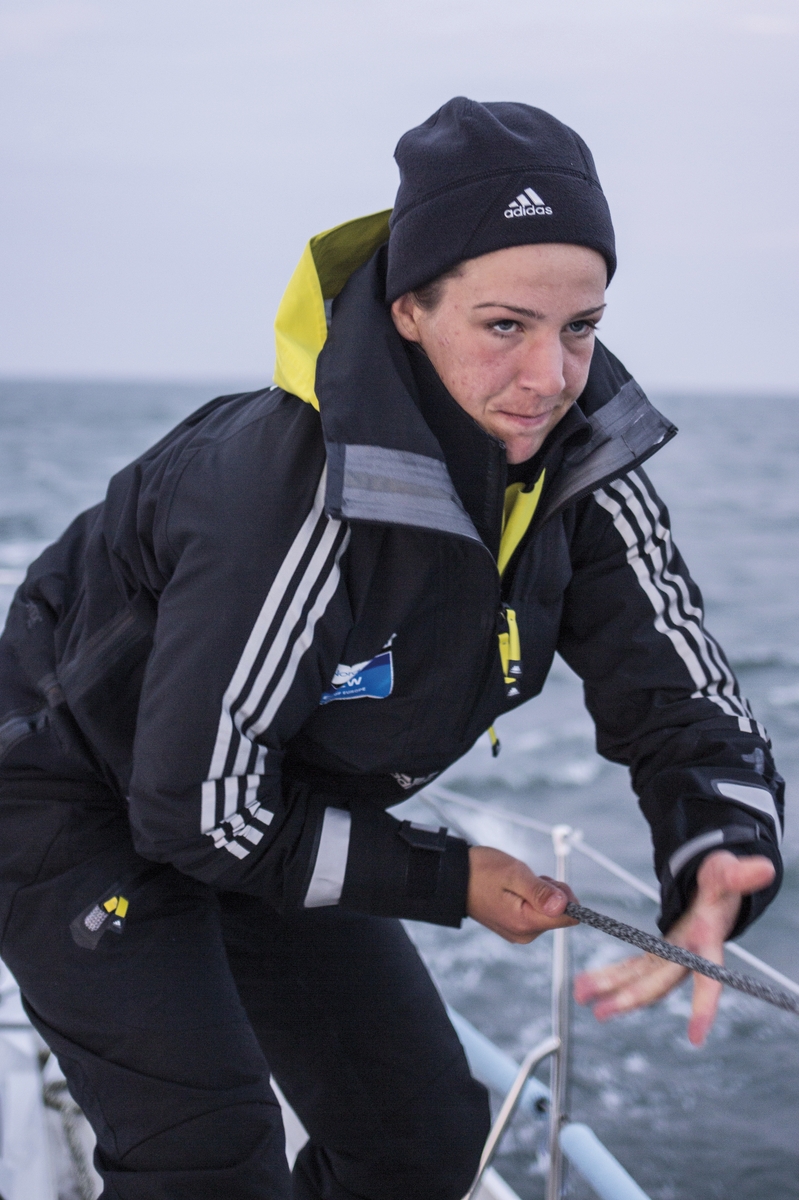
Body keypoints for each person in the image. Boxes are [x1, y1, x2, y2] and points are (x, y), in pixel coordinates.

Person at [0, 97, 782, 1199]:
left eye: (580, 327)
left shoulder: (579, 463)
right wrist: (451, 878)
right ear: (409, 307)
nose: (550, 377)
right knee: (206, 1158)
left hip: (277, 804)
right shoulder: (292, 490)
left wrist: (719, 846)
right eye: (504, 326)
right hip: (82, 799)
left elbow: (682, 694)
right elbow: (190, 811)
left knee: (419, 1140)